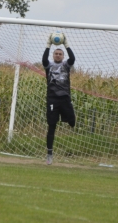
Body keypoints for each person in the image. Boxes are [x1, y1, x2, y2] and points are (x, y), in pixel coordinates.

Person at [42, 33, 76, 165]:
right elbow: (44, 58)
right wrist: (48, 44)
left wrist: (66, 44)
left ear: (63, 57)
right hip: (52, 100)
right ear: (53, 55)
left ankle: (66, 117)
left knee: (72, 122)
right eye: (56, 54)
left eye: (60, 54)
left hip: (65, 99)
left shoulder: (66, 65)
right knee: (52, 126)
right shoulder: (48, 66)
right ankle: (49, 155)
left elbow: (72, 58)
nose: (57, 55)